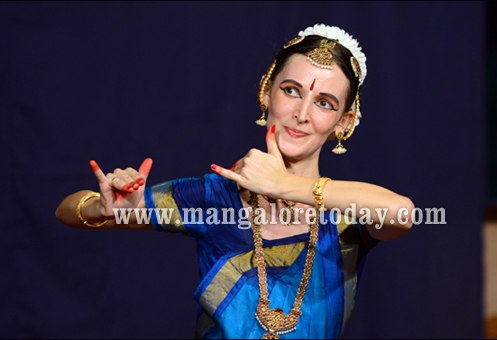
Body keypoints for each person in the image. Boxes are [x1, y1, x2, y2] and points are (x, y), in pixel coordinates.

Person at [56, 24, 415, 339]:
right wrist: (106, 209)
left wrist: (283, 186)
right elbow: (66, 211)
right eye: (291, 90)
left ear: (344, 122)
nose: (302, 114)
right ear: (266, 91)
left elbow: (401, 213)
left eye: (324, 102)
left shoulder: (345, 213)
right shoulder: (215, 197)